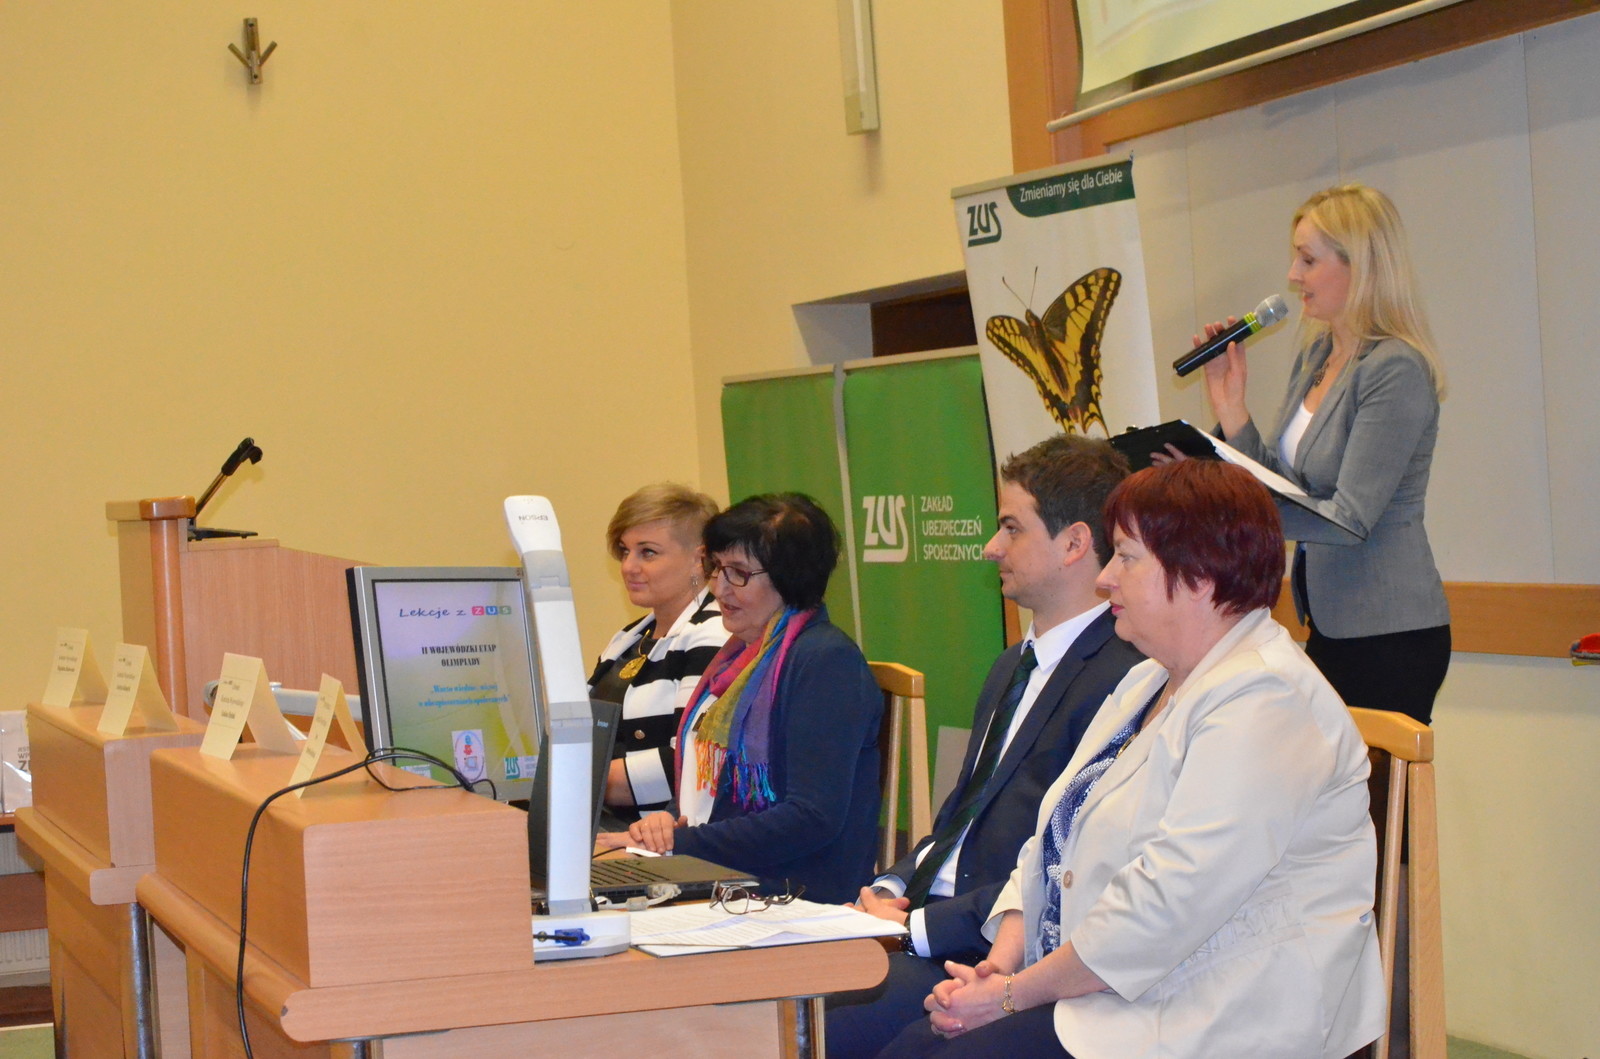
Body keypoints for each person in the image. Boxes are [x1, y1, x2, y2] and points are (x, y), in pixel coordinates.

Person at [879, 460, 1385, 1059]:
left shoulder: (1267, 697)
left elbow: (1167, 905)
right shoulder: (1147, 681)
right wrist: (999, 966)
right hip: (1114, 994)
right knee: (914, 1046)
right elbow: (1050, 843)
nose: (1105, 579)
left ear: (1198, 574)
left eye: (1126, 557)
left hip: (1219, 1015)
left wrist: (1011, 996)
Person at [826, 434, 1143, 1059]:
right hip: (926, 920)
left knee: (812, 1026)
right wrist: (889, 887)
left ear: (1075, 543)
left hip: (987, 943)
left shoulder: (1123, 678)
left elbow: (1057, 857)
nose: (990, 547)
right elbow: (959, 820)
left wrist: (913, 928)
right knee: (761, 997)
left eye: (1011, 528)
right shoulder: (1010, 667)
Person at [1194, 183, 1450, 724]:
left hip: (1389, 633)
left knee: (1368, 784)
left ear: (1360, 266)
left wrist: (1249, 513)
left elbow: (1350, 519)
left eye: (1308, 260)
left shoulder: (1394, 369)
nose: (1293, 275)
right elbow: (1285, 485)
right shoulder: (1317, 356)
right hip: (1331, 625)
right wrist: (1231, 408)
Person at [599, 493, 882, 904]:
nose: (719, 588)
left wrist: (678, 845)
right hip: (726, 880)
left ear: (790, 577)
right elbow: (711, 793)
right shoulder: (738, 659)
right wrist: (664, 825)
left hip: (792, 897)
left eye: (739, 574)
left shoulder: (825, 662)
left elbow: (811, 819)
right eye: (717, 568)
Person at [588, 484, 730, 820]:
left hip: (657, 833)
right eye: (625, 551)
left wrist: (578, 780)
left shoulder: (715, 634)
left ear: (699, 559)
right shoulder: (629, 637)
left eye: (647, 552)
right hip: (603, 821)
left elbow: (691, 760)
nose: (628, 566)